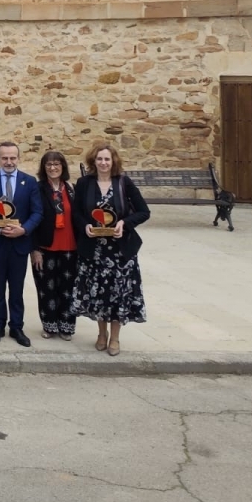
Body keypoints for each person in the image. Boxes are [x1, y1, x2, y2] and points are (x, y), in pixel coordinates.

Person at [71, 143, 150, 356]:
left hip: (120, 252)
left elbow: (144, 211)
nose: (103, 163)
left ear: (113, 161)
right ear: (93, 162)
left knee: (118, 295)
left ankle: (115, 337)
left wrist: (124, 224)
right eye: (99, 159)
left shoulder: (124, 183)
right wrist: (85, 226)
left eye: (107, 159)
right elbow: (76, 213)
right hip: (95, 251)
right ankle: (101, 334)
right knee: (98, 294)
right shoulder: (84, 183)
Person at [0, 141, 42, 347]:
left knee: (17, 287)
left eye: (13, 158)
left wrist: (24, 229)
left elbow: (37, 212)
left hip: (20, 242)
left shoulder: (29, 182)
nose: (9, 161)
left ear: (18, 158)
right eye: (5, 158)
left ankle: (17, 327)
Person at [32, 150, 77, 341]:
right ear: (44, 168)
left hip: (70, 246)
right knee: (46, 288)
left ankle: (66, 326)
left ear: (63, 167)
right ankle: (49, 325)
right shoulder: (37, 189)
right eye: (49, 164)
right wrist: (34, 249)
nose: (53, 168)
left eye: (57, 164)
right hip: (45, 246)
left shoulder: (72, 189)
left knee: (67, 289)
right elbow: (32, 218)